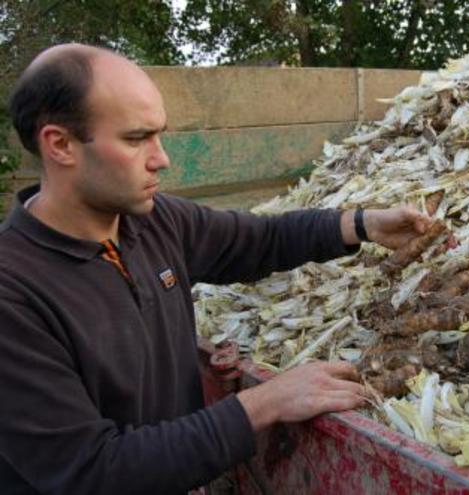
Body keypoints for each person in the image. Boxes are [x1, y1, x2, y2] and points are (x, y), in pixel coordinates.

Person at [0, 44, 431, 494]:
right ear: (60, 145)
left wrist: (363, 224)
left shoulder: (155, 221)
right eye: (136, 139)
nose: (161, 158)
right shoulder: (14, 292)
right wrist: (264, 403)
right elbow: (93, 471)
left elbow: (263, 240)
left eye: (160, 135)